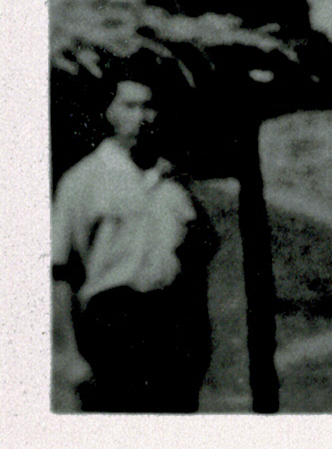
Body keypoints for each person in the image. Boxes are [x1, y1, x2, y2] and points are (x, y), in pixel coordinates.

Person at [52, 79, 218, 413]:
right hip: (113, 330)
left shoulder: (174, 184)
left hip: (172, 333)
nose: (142, 116)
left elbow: (199, 261)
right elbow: (59, 274)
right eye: (129, 106)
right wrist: (68, 355)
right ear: (108, 111)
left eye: (149, 106)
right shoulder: (81, 181)